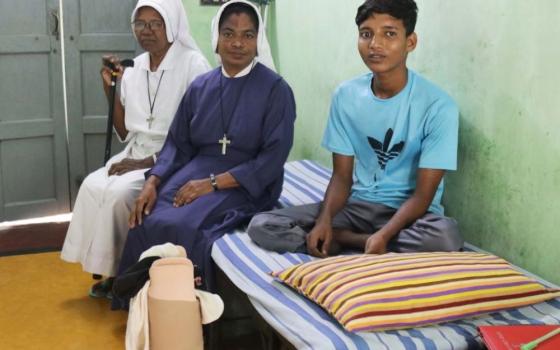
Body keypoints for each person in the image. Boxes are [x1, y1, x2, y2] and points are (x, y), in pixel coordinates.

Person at [112, 0, 296, 309]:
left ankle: (187, 308)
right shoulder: (200, 87)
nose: (237, 43)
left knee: (185, 224)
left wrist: (212, 183)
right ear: (216, 38)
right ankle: (143, 301)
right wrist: (152, 183)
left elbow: (272, 159)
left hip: (246, 179)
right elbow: (177, 145)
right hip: (198, 169)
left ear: (257, 40)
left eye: (248, 35)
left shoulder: (276, 90)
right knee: (144, 216)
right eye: (229, 33)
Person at [248, 0, 463, 257]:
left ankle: (346, 240)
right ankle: (356, 239)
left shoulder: (438, 107)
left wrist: (384, 234)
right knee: (263, 225)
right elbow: (341, 177)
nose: (375, 44)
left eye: (389, 34)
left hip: (411, 214)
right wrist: (325, 220)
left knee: (446, 236)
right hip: (358, 208)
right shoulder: (346, 96)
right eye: (366, 34)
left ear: (410, 42)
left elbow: (423, 196)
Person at [61, 0, 211, 298]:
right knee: (93, 186)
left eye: (155, 23)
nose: (147, 31)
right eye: (140, 24)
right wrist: (110, 88)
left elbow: (199, 134)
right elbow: (123, 130)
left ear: (172, 26)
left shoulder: (193, 64)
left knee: (119, 194)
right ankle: (110, 270)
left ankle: (126, 272)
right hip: (135, 150)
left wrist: (149, 161)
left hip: (174, 157)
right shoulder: (136, 66)